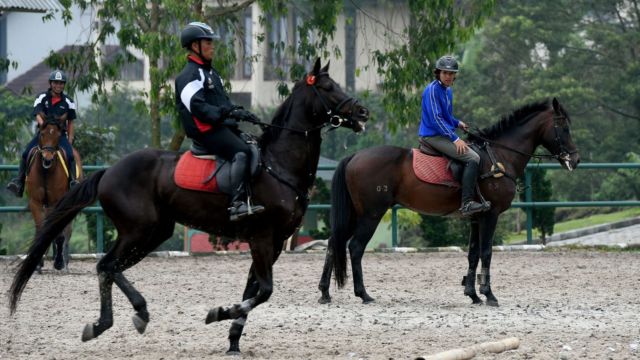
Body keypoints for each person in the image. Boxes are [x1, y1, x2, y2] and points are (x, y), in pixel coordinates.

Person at [175, 21, 264, 221]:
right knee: (240, 152)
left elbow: (222, 103)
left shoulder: (211, 73)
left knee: (253, 145)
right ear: (195, 45)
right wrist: (225, 114)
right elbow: (199, 108)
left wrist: (239, 112)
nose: (212, 46)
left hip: (217, 126)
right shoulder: (188, 75)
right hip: (204, 130)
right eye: (208, 42)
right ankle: (236, 204)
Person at [418, 55, 489, 216]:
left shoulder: (447, 91)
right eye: (445, 73)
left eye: (452, 73)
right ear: (438, 73)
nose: (449, 76)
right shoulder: (432, 90)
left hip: (442, 134)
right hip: (432, 136)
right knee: (473, 158)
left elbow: (446, 116)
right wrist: (455, 139)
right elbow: (436, 119)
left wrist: (458, 123)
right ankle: (467, 203)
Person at [6, 69, 79, 198]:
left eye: (61, 83)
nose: (58, 85)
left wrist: (70, 138)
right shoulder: (41, 97)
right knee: (25, 153)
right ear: (50, 83)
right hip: (43, 135)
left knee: (70, 155)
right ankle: (19, 182)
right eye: (56, 83)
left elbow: (71, 122)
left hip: (60, 136)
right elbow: (38, 115)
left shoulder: (69, 101)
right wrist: (43, 125)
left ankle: (73, 182)